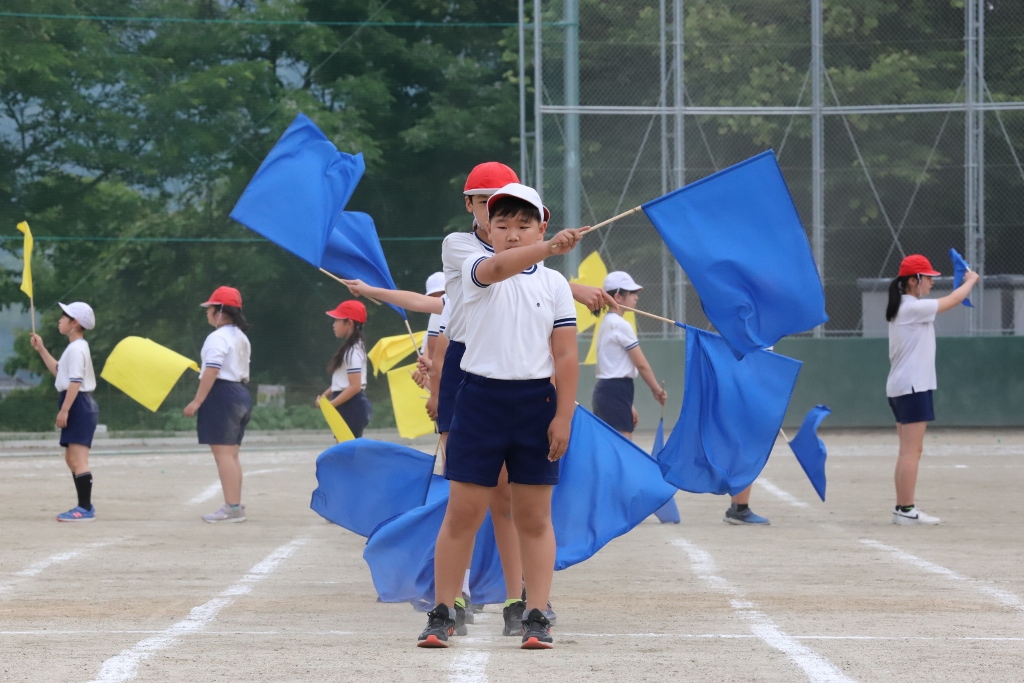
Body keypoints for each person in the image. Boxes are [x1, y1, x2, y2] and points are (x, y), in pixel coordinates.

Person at [417, 182, 581, 650]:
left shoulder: (554, 285)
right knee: (463, 512)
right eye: (502, 224)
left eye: (523, 225)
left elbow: (565, 356)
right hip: (478, 400)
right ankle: (443, 612)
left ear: (541, 225)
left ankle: (535, 614)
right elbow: (499, 267)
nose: (511, 233)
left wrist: (563, 417)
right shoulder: (474, 266)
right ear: (487, 227)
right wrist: (547, 248)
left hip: (536, 404)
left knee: (533, 516)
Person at [885, 254, 978, 525]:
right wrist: (971, 280)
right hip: (912, 386)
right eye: (928, 278)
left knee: (907, 451)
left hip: (903, 386)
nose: (931, 282)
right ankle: (905, 510)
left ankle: (902, 509)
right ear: (914, 281)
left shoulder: (905, 306)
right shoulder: (912, 307)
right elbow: (954, 300)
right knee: (912, 451)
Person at [184, 286, 253, 524]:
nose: (207, 312)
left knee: (223, 454)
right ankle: (235, 503)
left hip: (222, 394)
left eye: (210, 308)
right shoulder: (241, 337)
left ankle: (232, 508)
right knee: (231, 454)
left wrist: (197, 400)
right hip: (241, 392)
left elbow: (212, 369)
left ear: (220, 311)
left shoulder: (217, 337)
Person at [30, 302, 99, 522]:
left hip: (78, 403)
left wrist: (65, 410)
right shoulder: (73, 348)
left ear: (74, 323)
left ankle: (85, 508)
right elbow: (60, 371)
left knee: (78, 459)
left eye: (64, 316)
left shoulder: (78, 348)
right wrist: (41, 349)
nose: (60, 320)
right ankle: (84, 505)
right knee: (71, 458)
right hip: (75, 402)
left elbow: (75, 382)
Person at [591, 271, 667, 439]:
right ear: (618, 297)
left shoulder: (607, 322)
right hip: (615, 391)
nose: (636, 297)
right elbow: (641, 364)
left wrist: (628, 404)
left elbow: (615, 365)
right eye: (631, 293)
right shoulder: (620, 324)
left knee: (611, 449)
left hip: (609, 392)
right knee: (622, 450)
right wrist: (657, 390)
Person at [320, 300, 372, 438]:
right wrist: (325, 397)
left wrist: (331, 404)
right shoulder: (350, 349)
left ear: (349, 323)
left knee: (347, 452)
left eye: (337, 320)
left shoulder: (353, 351)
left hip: (351, 406)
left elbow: (354, 387)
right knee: (344, 450)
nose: (333, 325)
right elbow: (341, 382)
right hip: (346, 404)